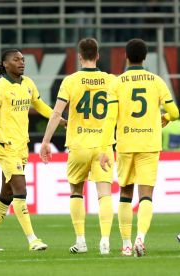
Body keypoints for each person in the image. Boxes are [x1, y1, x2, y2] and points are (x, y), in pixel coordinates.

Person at [0, 49, 65, 251]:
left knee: (6, 193)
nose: (21, 62)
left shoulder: (28, 83)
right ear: (5, 64)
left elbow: (40, 105)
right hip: (5, 146)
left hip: (21, 145)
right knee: (20, 190)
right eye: (16, 59)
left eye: (23, 59)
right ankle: (32, 239)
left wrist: (58, 120)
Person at [99, 38, 179, 257]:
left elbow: (110, 117)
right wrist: (164, 117)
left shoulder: (117, 83)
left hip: (125, 144)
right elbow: (175, 113)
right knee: (146, 196)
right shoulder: (157, 81)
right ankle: (140, 239)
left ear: (126, 57)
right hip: (149, 145)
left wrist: (105, 148)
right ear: (145, 57)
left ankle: (125, 244)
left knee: (125, 193)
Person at [39, 38, 116, 255]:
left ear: (80, 56)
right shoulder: (110, 80)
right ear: (98, 56)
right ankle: (105, 241)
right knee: (104, 194)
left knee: (75, 191)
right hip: (103, 146)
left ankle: (81, 241)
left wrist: (46, 141)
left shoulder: (70, 81)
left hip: (79, 145)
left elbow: (56, 113)